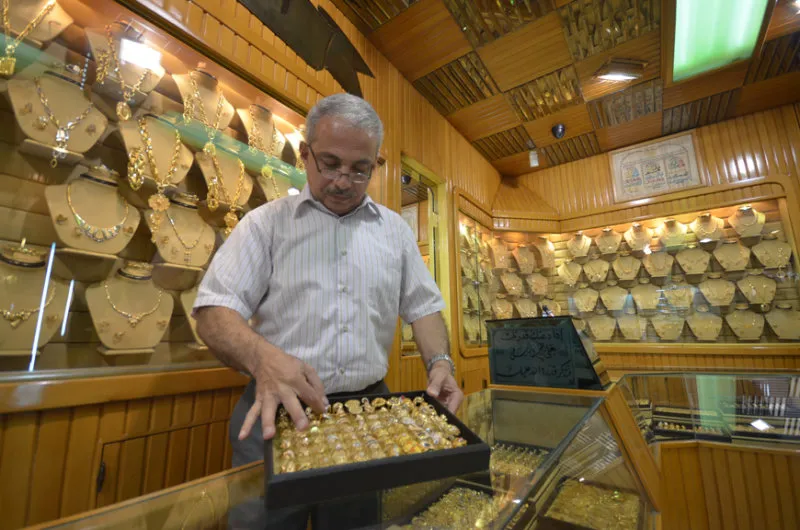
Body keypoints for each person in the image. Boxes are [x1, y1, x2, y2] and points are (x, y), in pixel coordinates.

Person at [193, 93, 463, 529]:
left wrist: (441, 363)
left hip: (368, 414)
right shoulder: (264, 224)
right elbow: (213, 311)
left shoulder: (395, 232)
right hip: (276, 410)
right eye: (330, 163)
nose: (343, 181)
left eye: (360, 169)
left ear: (376, 164)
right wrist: (263, 359)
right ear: (305, 154)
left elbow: (424, 307)